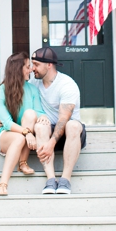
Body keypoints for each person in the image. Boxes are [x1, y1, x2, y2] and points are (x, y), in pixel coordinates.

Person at [28, 47, 85, 195]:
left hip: (70, 134)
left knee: (72, 125)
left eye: (36, 64)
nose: (32, 68)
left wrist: (51, 144)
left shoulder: (66, 84)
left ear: (49, 65)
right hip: (46, 133)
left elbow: (63, 119)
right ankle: (51, 179)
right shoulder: (34, 84)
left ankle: (65, 180)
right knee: (40, 126)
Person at [0, 53, 44, 196]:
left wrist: (43, 118)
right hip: (5, 135)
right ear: (17, 69)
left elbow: (39, 111)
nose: (31, 70)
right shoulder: (0, 93)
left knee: (30, 114)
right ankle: (3, 183)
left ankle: (22, 163)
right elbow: (7, 123)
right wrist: (27, 133)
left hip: (23, 132)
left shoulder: (32, 89)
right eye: (28, 67)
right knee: (19, 138)